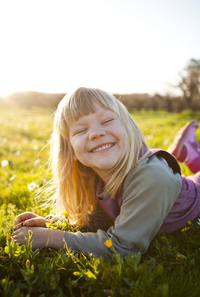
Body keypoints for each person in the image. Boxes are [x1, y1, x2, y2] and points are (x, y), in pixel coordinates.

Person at [12, 87, 200, 258]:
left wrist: (52, 237)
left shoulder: (152, 177)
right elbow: (98, 220)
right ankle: (188, 153)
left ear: (129, 129)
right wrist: (53, 223)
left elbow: (123, 246)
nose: (95, 133)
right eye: (81, 130)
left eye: (107, 120)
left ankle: (190, 153)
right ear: (71, 151)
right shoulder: (97, 174)